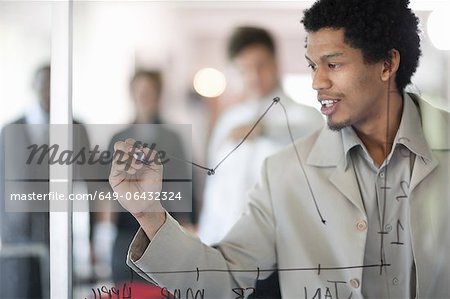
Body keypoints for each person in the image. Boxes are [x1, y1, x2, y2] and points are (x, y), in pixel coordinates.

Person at [109, 0, 450, 297]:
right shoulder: (284, 171)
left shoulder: (296, 121)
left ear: (387, 65)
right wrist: (149, 214)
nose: (317, 82)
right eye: (312, 66)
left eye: (332, 64)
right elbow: (223, 279)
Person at [0, 64, 91, 298]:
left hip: (59, 233)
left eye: (55, 85)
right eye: (44, 84)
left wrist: (91, 238)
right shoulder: (10, 129)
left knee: (58, 290)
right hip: (16, 235)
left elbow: (88, 184)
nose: (49, 90)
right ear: (33, 86)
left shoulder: (76, 128)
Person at [99, 69, 193, 287]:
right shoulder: (118, 138)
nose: (144, 97)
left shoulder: (172, 138)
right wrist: (102, 233)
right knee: (125, 287)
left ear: (158, 95)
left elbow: (184, 183)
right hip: (125, 229)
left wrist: (187, 224)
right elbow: (108, 189)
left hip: (163, 227)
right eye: (140, 91)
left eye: (150, 91)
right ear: (132, 94)